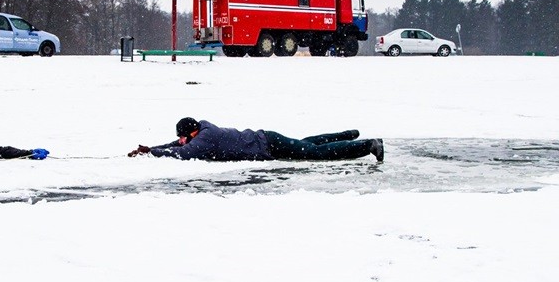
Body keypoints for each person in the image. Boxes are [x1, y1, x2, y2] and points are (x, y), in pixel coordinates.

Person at [128, 117, 384, 162]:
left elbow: (184, 153)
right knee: (308, 144)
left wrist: (153, 153)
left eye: (183, 137)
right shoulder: (202, 131)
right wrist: (152, 148)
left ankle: (368, 145)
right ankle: (348, 135)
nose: (181, 141)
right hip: (268, 141)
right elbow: (178, 145)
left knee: (315, 152)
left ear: (192, 133)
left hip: (270, 144)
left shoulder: (205, 138)